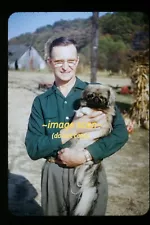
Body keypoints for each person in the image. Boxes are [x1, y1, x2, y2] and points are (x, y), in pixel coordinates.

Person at [25, 36, 128, 216]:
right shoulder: (41, 102)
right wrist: (73, 129)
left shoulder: (96, 92)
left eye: (71, 61)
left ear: (77, 61)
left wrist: (85, 155)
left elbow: (121, 133)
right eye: (58, 61)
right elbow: (34, 148)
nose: (66, 67)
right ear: (49, 62)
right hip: (53, 174)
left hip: (90, 169)